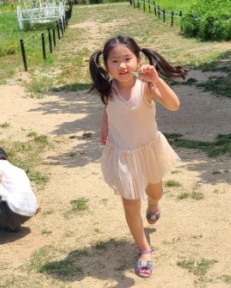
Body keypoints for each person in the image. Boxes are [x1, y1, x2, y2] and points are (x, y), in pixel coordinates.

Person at [88, 35, 188, 278]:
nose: (122, 66)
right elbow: (108, 107)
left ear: (138, 60)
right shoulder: (107, 89)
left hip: (148, 150)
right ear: (106, 65)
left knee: (155, 190)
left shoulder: (146, 87)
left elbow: (174, 105)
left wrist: (157, 80)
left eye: (127, 59)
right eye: (114, 61)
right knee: (130, 202)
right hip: (122, 154)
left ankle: (154, 203)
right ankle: (144, 249)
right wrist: (105, 124)